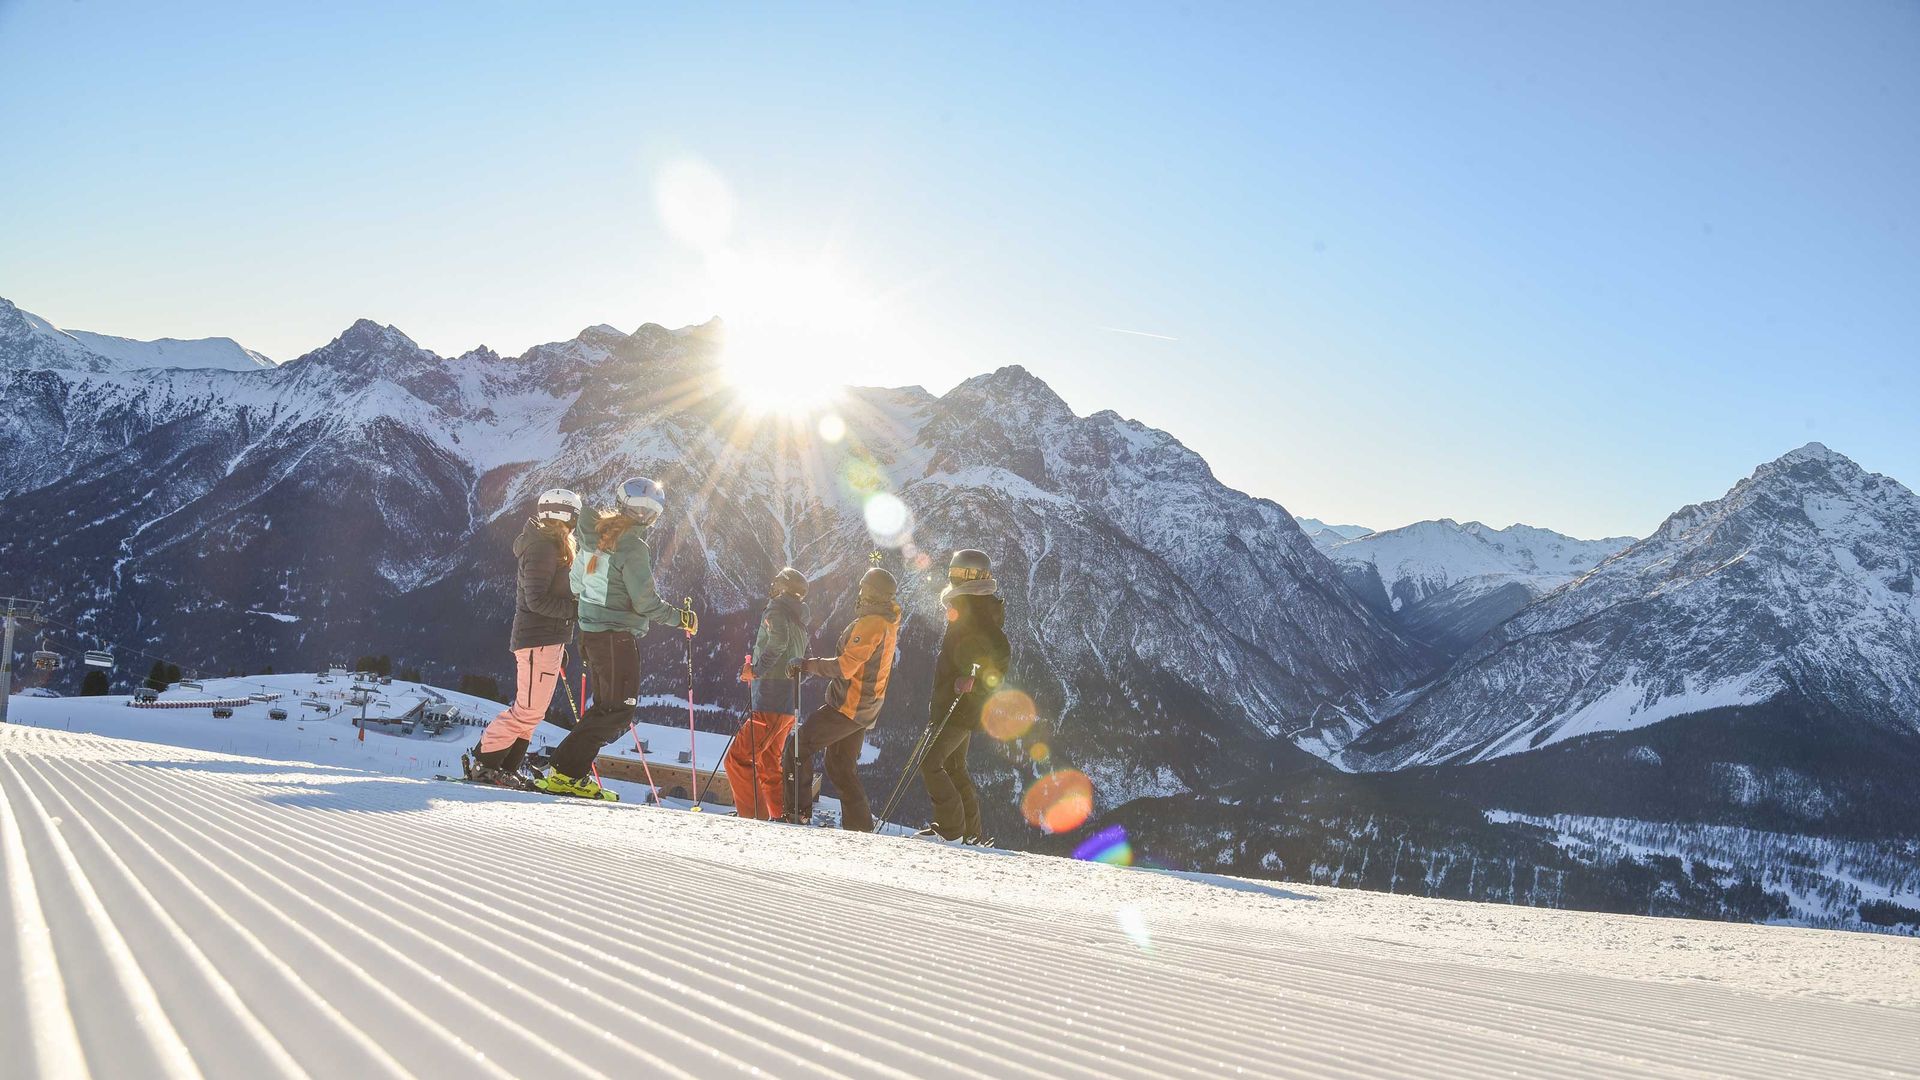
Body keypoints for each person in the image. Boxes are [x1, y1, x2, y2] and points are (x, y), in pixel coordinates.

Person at [534, 476, 696, 800]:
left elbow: (578, 584)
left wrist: (598, 601)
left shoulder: (595, 535)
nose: (645, 516)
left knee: (607, 708)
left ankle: (565, 772)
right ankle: (566, 773)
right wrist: (682, 618)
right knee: (619, 711)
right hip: (616, 638)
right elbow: (646, 603)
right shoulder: (634, 547)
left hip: (592, 636)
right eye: (645, 510)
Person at [468, 488, 581, 786]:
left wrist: (560, 638)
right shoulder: (543, 548)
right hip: (536, 640)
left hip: (547, 639)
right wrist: (575, 610)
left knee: (534, 712)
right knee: (527, 710)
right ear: (570, 516)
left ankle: (505, 766)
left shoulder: (552, 545)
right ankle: (484, 762)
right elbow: (536, 600)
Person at [787, 567, 902, 830]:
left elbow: (845, 667)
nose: (859, 594)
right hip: (865, 708)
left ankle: (796, 814)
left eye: (863, 589)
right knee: (839, 765)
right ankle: (860, 827)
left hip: (849, 706)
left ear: (872, 594)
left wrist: (807, 665)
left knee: (799, 745)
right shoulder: (886, 622)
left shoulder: (872, 623)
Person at [916, 549, 1011, 843]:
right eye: (954, 573)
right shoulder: (970, 605)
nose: (955, 578)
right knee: (954, 766)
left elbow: (1000, 652)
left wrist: (975, 681)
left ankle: (951, 831)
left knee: (930, 763)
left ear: (975, 577)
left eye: (961, 574)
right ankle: (970, 833)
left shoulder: (977, 609)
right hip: (958, 702)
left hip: (961, 706)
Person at [729, 567, 808, 819]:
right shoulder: (799, 619)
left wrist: (756, 670)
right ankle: (779, 815)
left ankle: (752, 818)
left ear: (782, 587)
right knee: (768, 763)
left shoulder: (776, 610)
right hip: (787, 700)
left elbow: (777, 642)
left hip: (771, 698)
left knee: (738, 759)